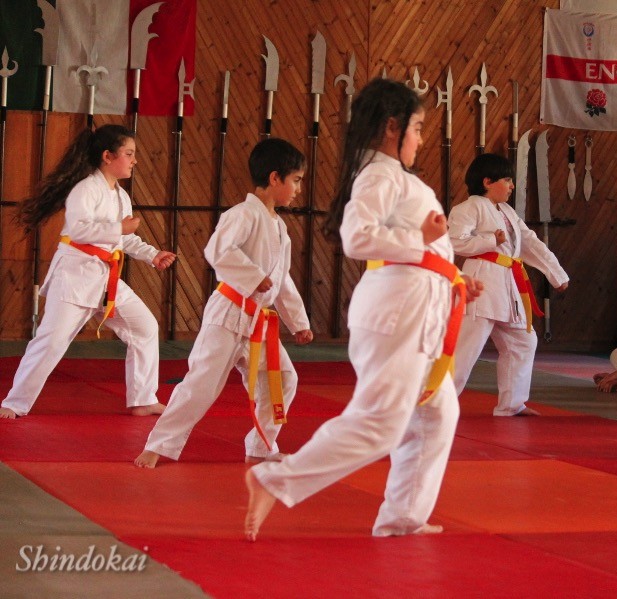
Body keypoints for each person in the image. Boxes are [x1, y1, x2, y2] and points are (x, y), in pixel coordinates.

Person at [244, 79, 483, 541]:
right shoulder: (379, 175)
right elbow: (357, 238)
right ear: (392, 127)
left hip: (418, 306)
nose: (421, 139)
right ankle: (275, 479)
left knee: (436, 414)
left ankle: (402, 517)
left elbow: (419, 248)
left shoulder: (396, 178)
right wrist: (422, 242)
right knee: (381, 423)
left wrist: (451, 275)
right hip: (397, 311)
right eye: (417, 128)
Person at [134, 138, 313, 468]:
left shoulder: (279, 227)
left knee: (283, 379)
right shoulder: (242, 214)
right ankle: (157, 445)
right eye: (296, 180)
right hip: (229, 314)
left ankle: (261, 446)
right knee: (201, 383)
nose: (299, 189)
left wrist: (298, 322)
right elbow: (218, 250)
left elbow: (282, 279)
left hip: (258, 320)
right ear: (275, 178)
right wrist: (253, 276)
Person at [0, 125, 175, 420]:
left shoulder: (120, 195)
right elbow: (80, 230)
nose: (134, 160)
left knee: (144, 327)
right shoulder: (85, 189)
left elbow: (123, 239)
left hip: (106, 278)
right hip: (75, 276)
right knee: (51, 341)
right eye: (129, 154)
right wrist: (119, 228)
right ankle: (14, 402)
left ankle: (143, 399)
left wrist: (152, 254)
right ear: (108, 156)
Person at [447, 153, 568, 416]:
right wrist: (491, 240)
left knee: (523, 341)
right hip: (480, 286)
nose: (512, 186)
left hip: (507, 286)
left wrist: (556, 274)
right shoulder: (469, 208)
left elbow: (530, 243)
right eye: (507, 180)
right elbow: (455, 242)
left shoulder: (508, 212)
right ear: (487, 181)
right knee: (465, 350)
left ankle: (511, 404)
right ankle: (433, 406)